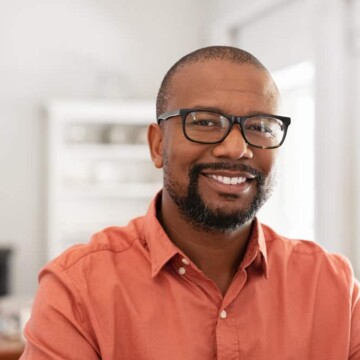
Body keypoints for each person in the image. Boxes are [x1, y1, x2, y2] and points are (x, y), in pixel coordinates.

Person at [21, 46, 360, 360]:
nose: (235, 148)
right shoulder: (77, 289)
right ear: (157, 146)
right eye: (205, 122)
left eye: (259, 126)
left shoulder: (332, 285)